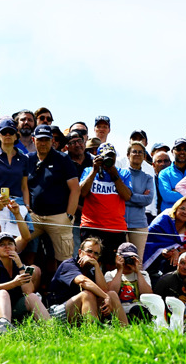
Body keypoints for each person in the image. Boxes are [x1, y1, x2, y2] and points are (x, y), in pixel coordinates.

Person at [47, 235, 128, 324]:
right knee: (87, 294)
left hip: (79, 312)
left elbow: (104, 291)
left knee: (112, 294)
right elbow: (83, 281)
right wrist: (105, 296)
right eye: (89, 251)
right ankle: (92, 333)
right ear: (80, 252)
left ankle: (125, 330)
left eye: (96, 254)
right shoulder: (68, 265)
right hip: (57, 313)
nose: (92, 256)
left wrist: (97, 267)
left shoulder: (92, 271)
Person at [29, 124, 80, 264]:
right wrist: (27, 207)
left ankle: (64, 285)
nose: (43, 143)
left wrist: (69, 215)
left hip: (58, 216)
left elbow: (75, 189)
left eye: (46, 139)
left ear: (52, 141)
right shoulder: (29, 159)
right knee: (15, 243)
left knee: (65, 260)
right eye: (40, 139)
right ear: (33, 140)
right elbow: (23, 186)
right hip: (35, 216)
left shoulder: (63, 159)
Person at [0, 231, 49, 327]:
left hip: (10, 308)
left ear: (15, 248)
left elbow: (28, 291)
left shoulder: (19, 265)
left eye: (10, 244)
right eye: (2, 244)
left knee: (32, 297)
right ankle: (4, 326)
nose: (7, 247)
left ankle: (50, 327)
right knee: (2, 293)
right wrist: (13, 283)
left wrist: (20, 266)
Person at [79, 142, 132, 262]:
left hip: (115, 228)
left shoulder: (123, 173)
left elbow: (127, 196)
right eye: (105, 156)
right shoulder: (88, 171)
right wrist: (94, 171)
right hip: (91, 226)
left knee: (112, 265)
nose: (109, 159)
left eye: (111, 156)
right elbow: (81, 193)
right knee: (89, 262)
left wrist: (115, 175)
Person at [143, 196, 186, 277]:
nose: (185, 212)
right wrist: (163, 251)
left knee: (175, 263)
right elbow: (150, 240)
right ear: (176, 209)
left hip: (175, 258)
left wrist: (177, 251)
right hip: (152, 253)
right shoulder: (164, 219)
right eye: (182, 208)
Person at [122, 140, 156, 253]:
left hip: (139, 224)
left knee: (137, 260)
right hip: (121, 222)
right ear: (128, 155)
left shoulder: (148, 178)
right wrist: (138, 197)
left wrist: (128, 195)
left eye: (140, 152)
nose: (137, 154)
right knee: (121, 258)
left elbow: (148, 199)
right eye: (134, 151)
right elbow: (119, 196)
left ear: (144, 156)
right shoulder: (121, 174)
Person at [156, 138, 186, 213]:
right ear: (172, 151)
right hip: (170, 217)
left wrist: (177, 190)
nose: (182, 152)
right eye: (179, 149)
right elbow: (167, 196)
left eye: (185, 149)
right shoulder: (164, 173)